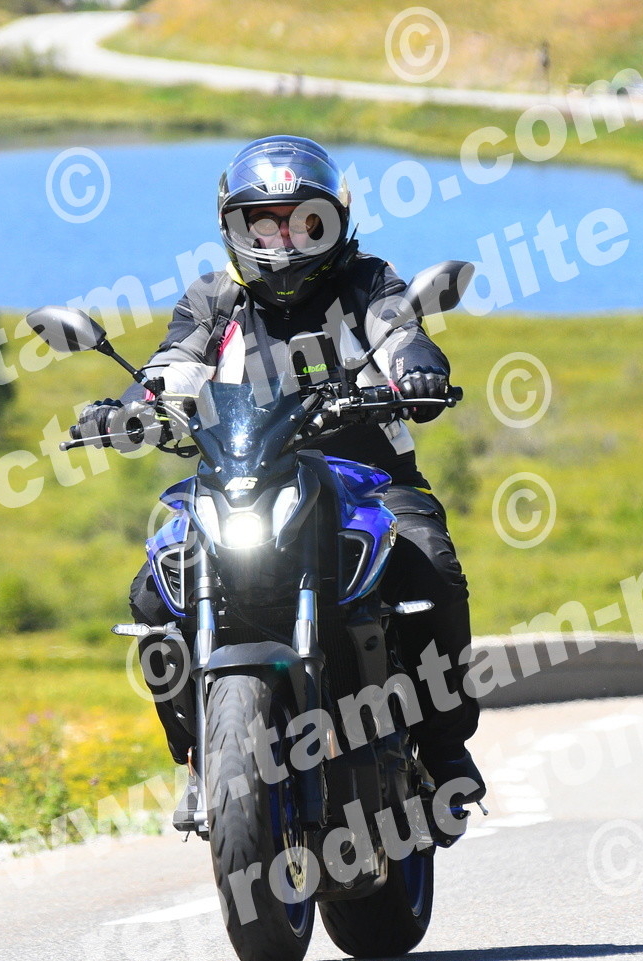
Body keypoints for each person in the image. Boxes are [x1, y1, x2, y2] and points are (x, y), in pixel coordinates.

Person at [69, 135, 486, 805]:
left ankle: (443, 746)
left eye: (304, 222)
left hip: (368, 480)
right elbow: (174, 365)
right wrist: (131, 409)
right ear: (234, 228)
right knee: (154, 590)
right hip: (246, 477)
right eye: (265, 224)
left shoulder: (366, 281)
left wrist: (417, 370)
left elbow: (399, 331)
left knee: (430, 565)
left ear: (334, 221)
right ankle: (200, 755)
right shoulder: (214, 299)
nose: (284, 241)